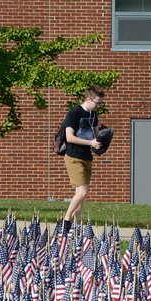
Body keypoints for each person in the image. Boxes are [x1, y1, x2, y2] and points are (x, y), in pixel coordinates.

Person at [59, 86, 108, 234]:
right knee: (82, 192)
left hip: (87, 156)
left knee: (80, 195)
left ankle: (76, 225)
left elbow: (95, 135)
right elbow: (70, 137)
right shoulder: (74, 113)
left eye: (101, 103)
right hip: (73, 156)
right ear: (88, 99)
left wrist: (100, 140)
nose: (98, 106)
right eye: (97, 102)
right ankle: (66, 221)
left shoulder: (93, 115)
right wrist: (90, 143)